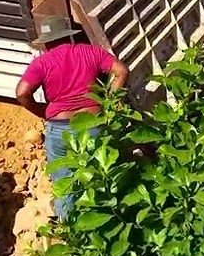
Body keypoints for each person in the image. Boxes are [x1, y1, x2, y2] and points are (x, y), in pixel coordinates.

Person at [14, 15, 128, 221]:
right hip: (93, 123)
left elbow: (22, 93)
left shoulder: (42, 63)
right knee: (101, 172)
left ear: (47, 41)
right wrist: (109, 102)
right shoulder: (89, 52)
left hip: (59, 129)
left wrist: (42, 110)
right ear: (69, 36)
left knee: (64, 181)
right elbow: (121, 71)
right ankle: (107, 218)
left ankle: (72, 230)